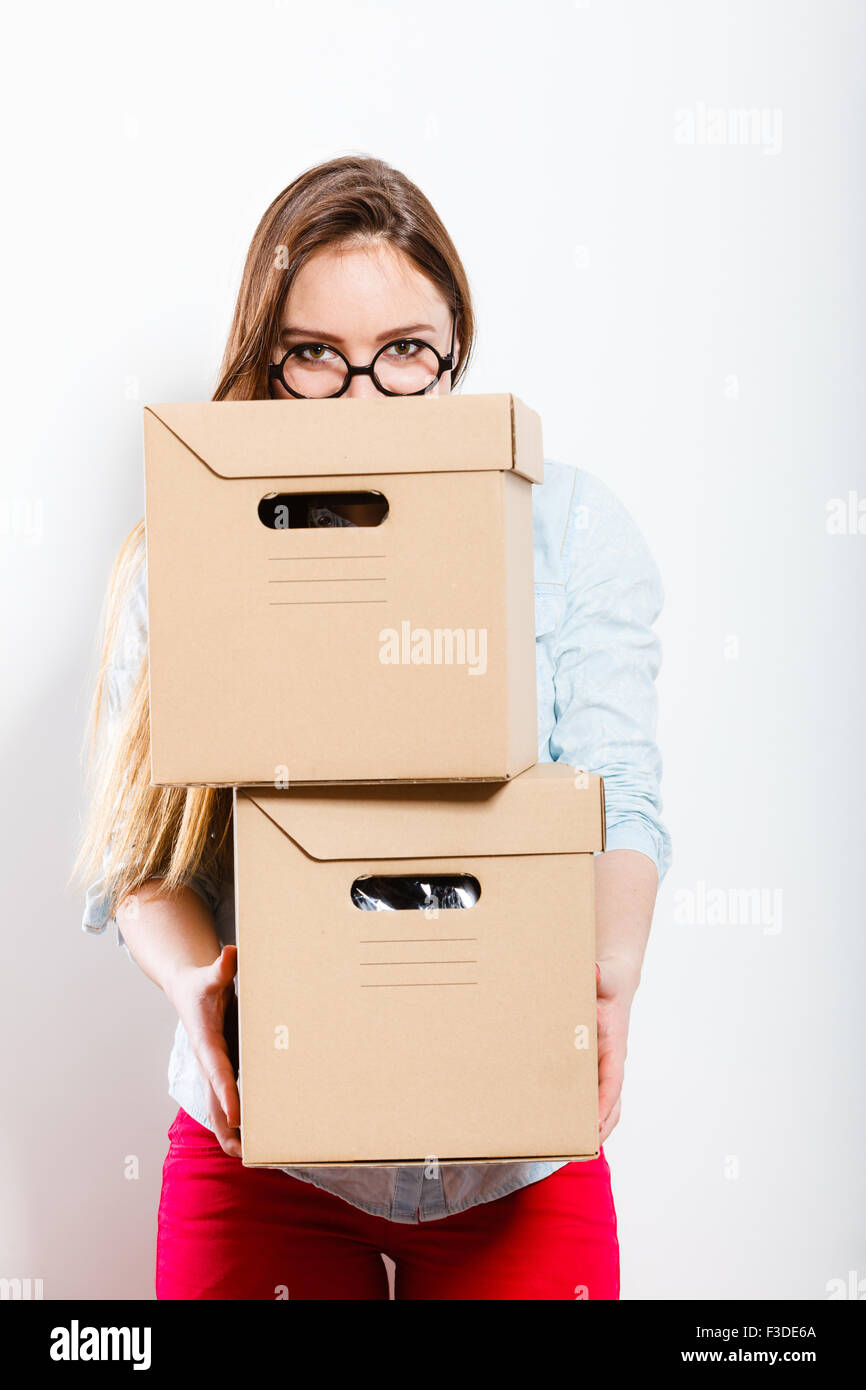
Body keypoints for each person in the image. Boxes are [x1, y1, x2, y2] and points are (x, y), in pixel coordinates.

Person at [73, 154, 671, 1301]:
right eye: (316, 358)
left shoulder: (570, 531)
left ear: (454, 351)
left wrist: (610, 976)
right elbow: (133, 855)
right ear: (266, 360)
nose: (362, 401)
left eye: (403, 353)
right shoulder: (188, 548)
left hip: (511, 1147)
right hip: (263, 1135)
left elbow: (621, 799)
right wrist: (196, 986)